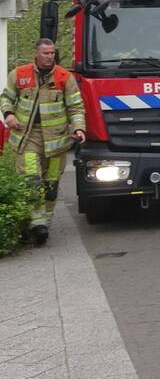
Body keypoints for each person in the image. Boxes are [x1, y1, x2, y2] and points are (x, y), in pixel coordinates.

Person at [0, 39, 86, 244]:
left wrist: (79, 128)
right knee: (32, 181)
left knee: (51, 186)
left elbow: (76, 107)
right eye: (46, 53)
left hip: (57, 141)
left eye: (52, 53)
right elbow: (6, 98)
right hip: (28, 137)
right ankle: (36, 224)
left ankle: (44, 224)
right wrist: (9, 114)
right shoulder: (19, 74)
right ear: (36, 53)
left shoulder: (65, 77)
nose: (50, 56)